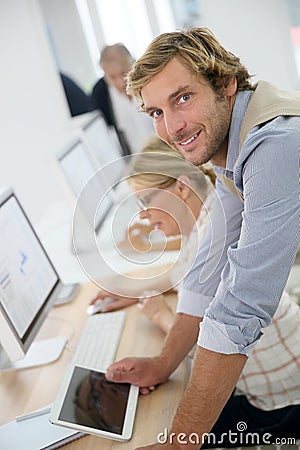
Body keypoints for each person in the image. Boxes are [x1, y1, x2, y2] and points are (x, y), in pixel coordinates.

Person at [103, 27, 300, 449]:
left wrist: (180, 443)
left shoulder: (274, 146)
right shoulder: (236, 145)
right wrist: (162, 363)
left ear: (226, 83)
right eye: (156, 112)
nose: (171, 127)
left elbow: (242, 304)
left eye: (183, 98)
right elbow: (207, 272)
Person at [89, 135, 216, 322]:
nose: (142, 215)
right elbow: (181, 275)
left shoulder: (212, 237)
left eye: (146, 201)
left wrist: (161, 316)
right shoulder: (202, 219)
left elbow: (206, 349)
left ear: (182, 187)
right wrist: (134, 291)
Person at [91, 43, 154, 155]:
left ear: (133, 63)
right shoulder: (100, 94)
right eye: (112, 77)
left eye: (124, 73)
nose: (120, 82)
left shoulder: (150, 79)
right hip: (137, 162)